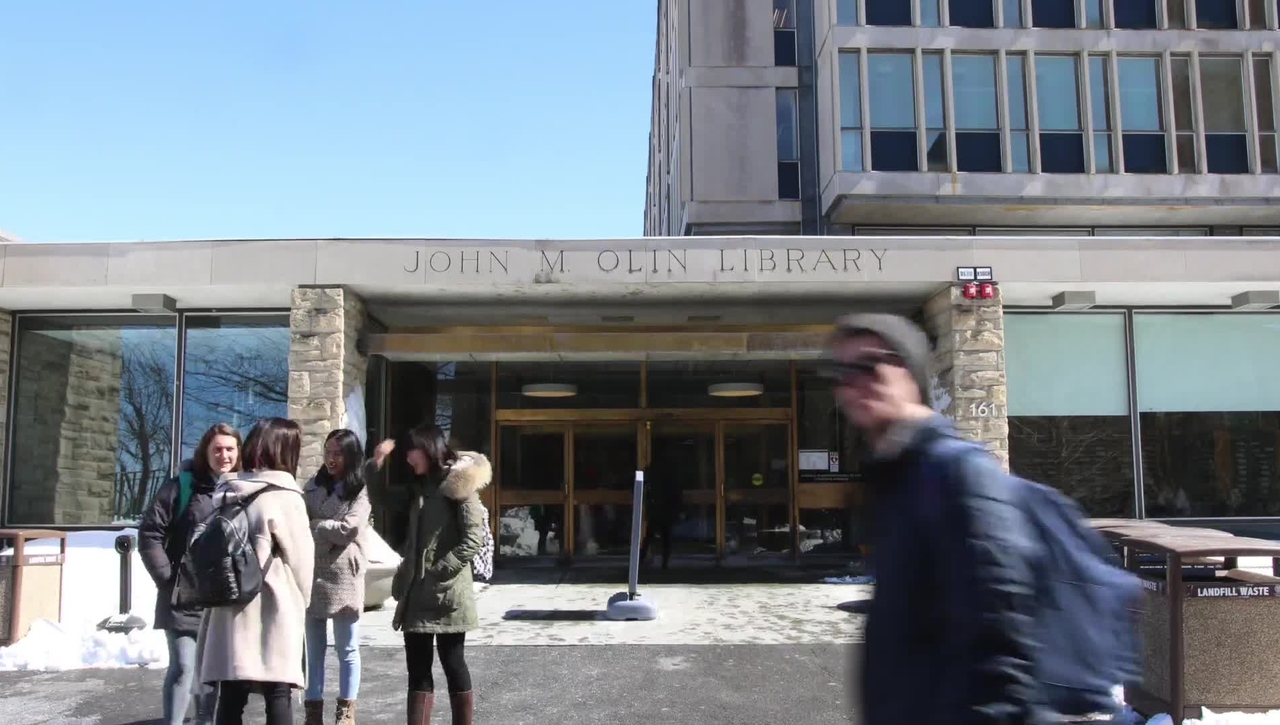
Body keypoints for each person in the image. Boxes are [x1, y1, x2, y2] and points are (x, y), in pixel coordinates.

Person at [828, 314, 1044, 725]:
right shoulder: (892, 476)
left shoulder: (958, 474)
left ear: (909, 373)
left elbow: (1004, 645)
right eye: (841, 373)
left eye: (869, 366)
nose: (854, 382)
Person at [196, 417, 315, 725]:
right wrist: (302, 601)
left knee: (232, 692)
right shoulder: (286, 496)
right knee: (278, 690)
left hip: (229, 603)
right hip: (273, 604)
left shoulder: (229, 490)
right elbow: (302, 561)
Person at [139, 423, 242, 725]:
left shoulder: (243, 488)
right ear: (206, 452)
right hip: (183, 596)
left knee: (212, 673)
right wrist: (166, 576)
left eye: (230, 449)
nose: (224, 455)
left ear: (238, 452)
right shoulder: (182, 486)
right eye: (217, 449)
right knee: (184, 666)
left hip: (223, 598)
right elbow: (149, 533)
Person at [388, 424, 490, 725]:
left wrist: (440, 570)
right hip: (416, 591)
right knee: (417, 669)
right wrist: (374, 465)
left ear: (428, 449)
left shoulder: (458, 483)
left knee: (452, 662)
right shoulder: (419, 486)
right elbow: (383, 499)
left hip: (446, 593)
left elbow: (474, 537)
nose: (407, 458)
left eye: (411, 451)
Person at [302, 429, 394, 725]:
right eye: (328, 450)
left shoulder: (360, 490)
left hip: (344, 575)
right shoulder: (311, 487)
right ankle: (312, 709)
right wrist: (325, 528)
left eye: (338, 452)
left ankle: (346, 711)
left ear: (351, 456)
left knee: (347, 647)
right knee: (313, 651)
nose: (331, 458)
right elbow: (300, 528)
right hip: (312, 574)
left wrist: (317, 526)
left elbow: (349, 530)